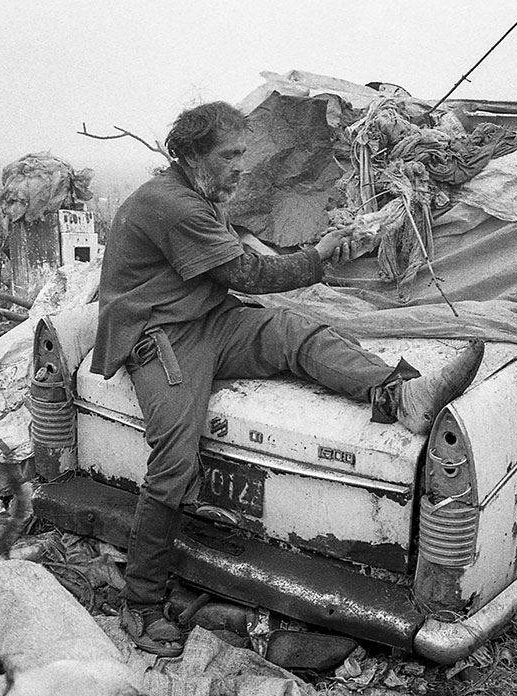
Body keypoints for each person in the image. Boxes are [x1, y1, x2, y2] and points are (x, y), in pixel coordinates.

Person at [91, 101, 484, 657]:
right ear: (193, 155)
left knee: (293, 331)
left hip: (207, 318)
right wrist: (317, 256)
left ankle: (400, 394)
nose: (240, 167)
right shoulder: (170, 204)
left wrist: (311, 253)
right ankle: (142, 600)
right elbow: (245, 272)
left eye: (242, 155)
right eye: (230, 155)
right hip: (161, 335)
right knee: (175, 463)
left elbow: (232, 266)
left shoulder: (197, 195)